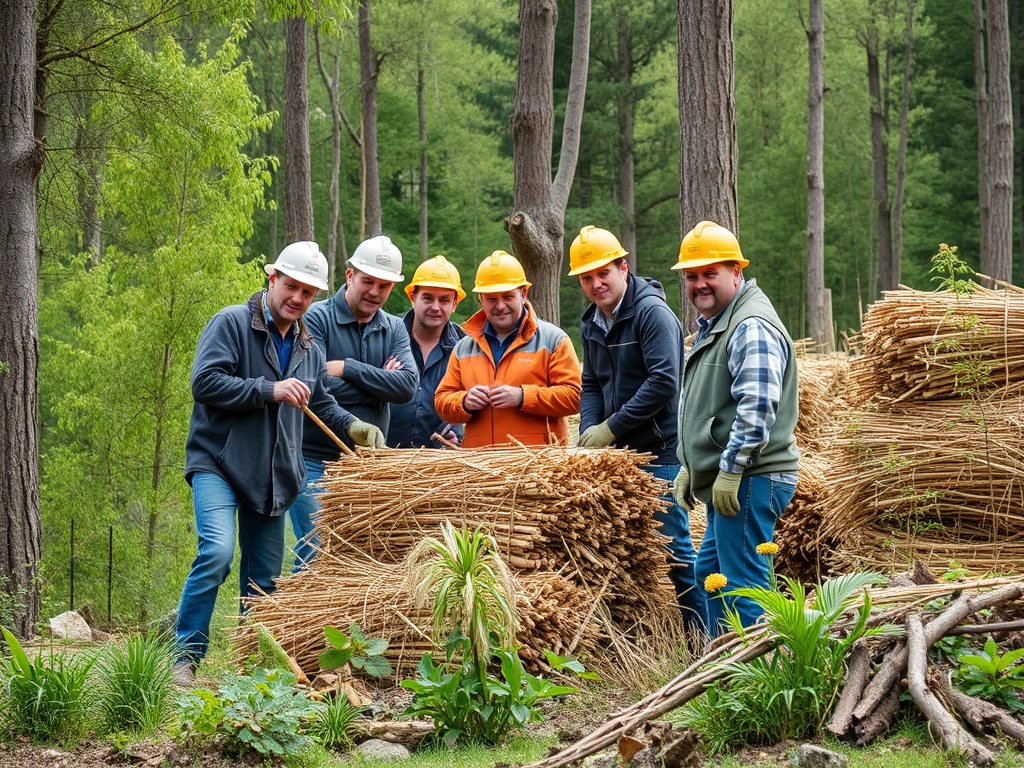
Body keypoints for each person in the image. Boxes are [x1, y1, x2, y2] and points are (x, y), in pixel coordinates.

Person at [175, 241, 385, 684]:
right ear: (273, 279)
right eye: (291, 287)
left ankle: (250, 669)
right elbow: (205, 382)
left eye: (308, 293)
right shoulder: (232, 322)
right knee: (216, 552)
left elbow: (321, 402)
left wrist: (354, 427)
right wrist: (270, 390)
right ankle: (185, 658)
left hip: (272, 475)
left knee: (264, 582)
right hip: (218, 461)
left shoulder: (308, 344)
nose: (298, 298)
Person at [569, 225, 708, 642]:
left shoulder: (652, 313)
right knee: (625, 546)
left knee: (675, 549)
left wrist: (610, 428)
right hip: (619, 451)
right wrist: (590, 428)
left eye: (603, 274)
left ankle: (704, 639)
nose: (596, 284)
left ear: (623, 268)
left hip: (662, 449)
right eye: (587, 278)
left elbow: (666, 381)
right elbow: (591, 382)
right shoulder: (592, 322)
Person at [671, 221, 799, 636]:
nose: (700, 284)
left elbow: (757, 406)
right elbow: (706, 404)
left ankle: (760, 684)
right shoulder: (719, 323)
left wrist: (730, 468)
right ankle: (720, 673)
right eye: (692, 276)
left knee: (744, 588)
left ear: (736, 273)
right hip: (736, 477)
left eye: (711, 273)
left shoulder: (750, 325)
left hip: (750, 477)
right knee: (711, 573)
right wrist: (691, 464)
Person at [289, 234, 418, 568]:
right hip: (313, 458)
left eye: (385, 285)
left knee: (358, 558)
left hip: (366, 466)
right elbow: (314, 385)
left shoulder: (394, 329)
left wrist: (348, 368)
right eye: (368, 281)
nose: (375, 292)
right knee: (316, 552)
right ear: (349, 276)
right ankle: (296, 619)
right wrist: (379, 380)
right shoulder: (315, 318)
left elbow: (406, 387)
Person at [435, 250, 581, 447]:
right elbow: (442, 401)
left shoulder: (553, 339)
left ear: (523, 293)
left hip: (540, 468)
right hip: (481, 467)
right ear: (481, 300)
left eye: (507, 297)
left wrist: (522, 397)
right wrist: (464, 401)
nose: (500, 306)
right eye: (492, 299)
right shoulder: (464, 348)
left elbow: (575, 397)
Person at [387, 255, 467, 448]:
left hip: (438, 467)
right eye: (428, 298)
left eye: (444, 300)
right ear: (413, 298)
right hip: (383, 458)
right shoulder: (386, 337)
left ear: (454, 304)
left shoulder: (466, 349)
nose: (435, 307)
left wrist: (458, 434)